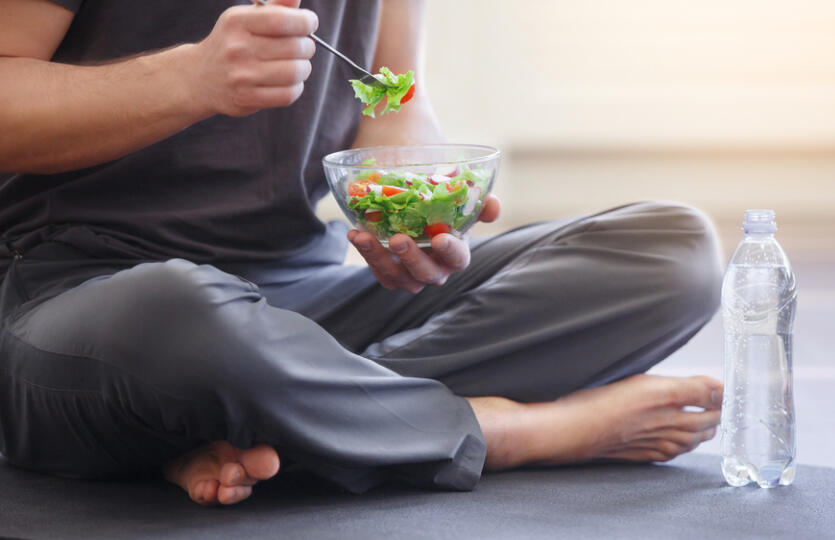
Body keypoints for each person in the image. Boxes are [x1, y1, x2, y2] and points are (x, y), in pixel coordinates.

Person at [0, 0, 724, 506]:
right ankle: (504, 430)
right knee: (178, 317)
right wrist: (190, 79)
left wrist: (411, 201)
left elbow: (392, 91)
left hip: (300, 302)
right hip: (85, 297)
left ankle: (251, 422)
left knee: (671, 253)